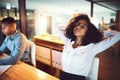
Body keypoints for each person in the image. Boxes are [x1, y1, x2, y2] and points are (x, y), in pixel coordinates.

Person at [57, 13, 120, 80]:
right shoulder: (68, 42)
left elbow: (118, 35)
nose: (78, 27)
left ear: (88, 31)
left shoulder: (92, 47)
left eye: (83, 26)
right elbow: (58, 28)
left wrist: (100, 33)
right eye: (76, 24)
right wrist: (71, 26)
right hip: (63, 76)